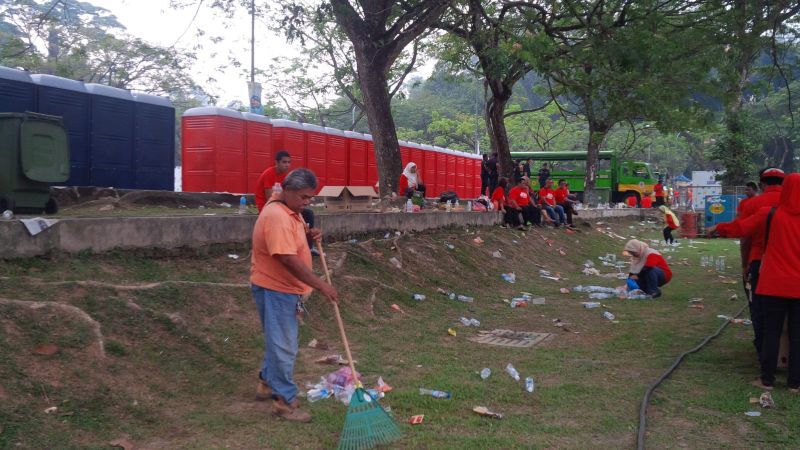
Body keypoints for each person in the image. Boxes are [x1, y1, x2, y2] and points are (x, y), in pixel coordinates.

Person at [251, 168, 339, 422]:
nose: (307, 202)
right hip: (276, 288)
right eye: (303, 197)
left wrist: (309, 236)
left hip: (284, 288)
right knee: (284, 346)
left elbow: (293, 242)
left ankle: (267, 383)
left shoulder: (290, 210)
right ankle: (284, 401)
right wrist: (322, 285)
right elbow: (287, 258)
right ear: (287, 191)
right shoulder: (276, 215)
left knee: (278, 340)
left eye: (310, 197)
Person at [710, 173, 800, 391]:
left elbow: (741, 228)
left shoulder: (769, 214)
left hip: (773, 283)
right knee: (798, 335)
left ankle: (767, 379)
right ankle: (795, 383)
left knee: (771, 331)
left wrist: (719, 228)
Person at [707, 167, 785, 360]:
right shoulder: (793, 205)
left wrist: (744, 265)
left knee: (759, 309)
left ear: (762, 184)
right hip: (792, 266)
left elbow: (744, 235)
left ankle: (763, 352)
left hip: (760, 263)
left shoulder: (754, 205)